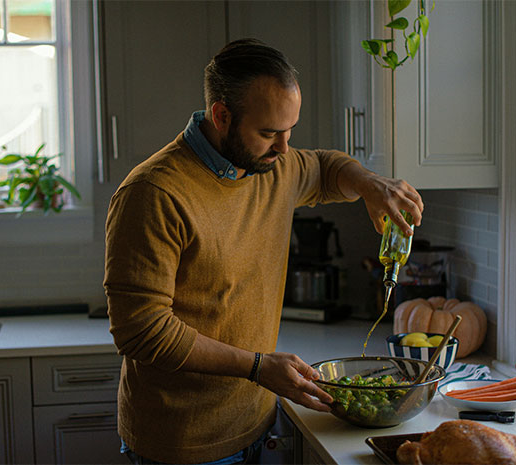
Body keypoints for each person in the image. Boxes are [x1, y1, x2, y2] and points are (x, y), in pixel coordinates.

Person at [104, 38, 424, 465]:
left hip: (256, 421)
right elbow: (142, 331)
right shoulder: (154, 192)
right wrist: (257, 367)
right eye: (269, 133)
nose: (284, 148)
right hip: (182, 442)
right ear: (221, 115)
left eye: (290, 131)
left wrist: (368, 182)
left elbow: (325, 167)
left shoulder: (271, 165)